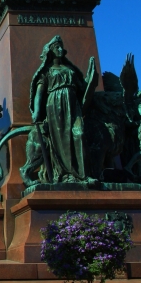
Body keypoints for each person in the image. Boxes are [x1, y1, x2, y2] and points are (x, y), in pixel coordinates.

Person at [30, 35, 97, 183]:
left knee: (79, 134)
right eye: (56, 47)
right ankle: (66, 174)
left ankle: (83, 174)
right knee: (62, 140)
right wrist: (36, 112)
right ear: (50, 51)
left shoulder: (70, 69)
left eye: (61, 47)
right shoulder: (46, 71)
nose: (60, 49)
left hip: (73, 105)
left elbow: (83, 88)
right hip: (55, 105)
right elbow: (39, 94)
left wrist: (92, 75)